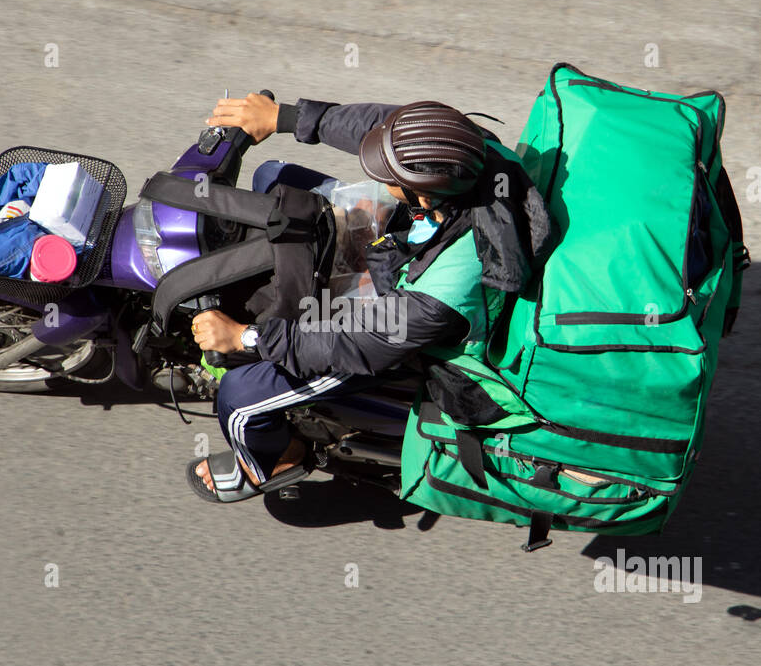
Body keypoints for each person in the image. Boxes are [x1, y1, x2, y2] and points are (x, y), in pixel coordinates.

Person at [187, 92, 551, 502]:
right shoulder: (465, 147)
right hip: (407, 252)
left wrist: (245, 338)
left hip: (397, 338)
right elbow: (381, 126)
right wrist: (285, 117)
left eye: (387, 177)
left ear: (424, 198)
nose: (377, 176)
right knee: (276, 178)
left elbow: (357, 342)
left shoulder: (445, 288)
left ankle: (275, 460)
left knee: (238, 398)